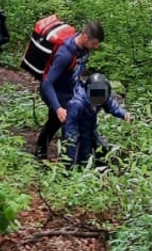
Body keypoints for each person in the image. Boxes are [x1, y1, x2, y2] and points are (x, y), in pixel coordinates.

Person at [35, 20, 104, 159]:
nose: (96, 47)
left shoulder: (84, 49)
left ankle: (40, 151)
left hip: (67, 89)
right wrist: (58, 108)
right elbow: (47, 84)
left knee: (55, 121)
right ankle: (66, 161)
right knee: (67, 121)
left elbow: (76, 72)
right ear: (85, 37)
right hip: (52, 91)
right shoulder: (65, 54)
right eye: (94, 43)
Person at [63, 73, 130, 168]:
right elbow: (70, 131)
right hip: (77, 131)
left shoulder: (100, 95)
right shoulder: (77, 104)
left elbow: (111, 105)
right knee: (79, 156)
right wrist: (71, 158)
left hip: (90, 129)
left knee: (95, 150)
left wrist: (123, 114)